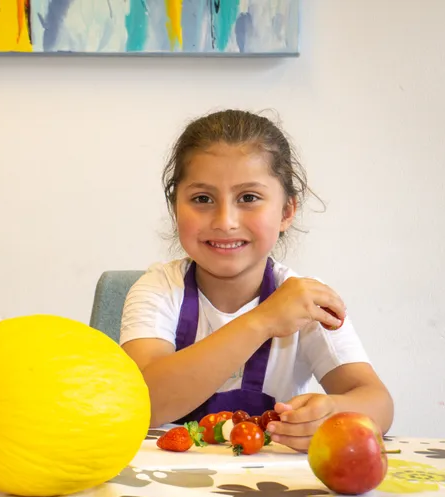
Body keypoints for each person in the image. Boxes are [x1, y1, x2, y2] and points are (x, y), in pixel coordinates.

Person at [119, 109, 393, 451]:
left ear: (287, 211)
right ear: (176, 209)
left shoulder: (305, 299)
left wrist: (334, 411)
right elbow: (142, 404)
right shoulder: (158, 288)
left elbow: (378, 403)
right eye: (202, 199)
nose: (225, 221)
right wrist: (263, 320)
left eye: (248, 198)